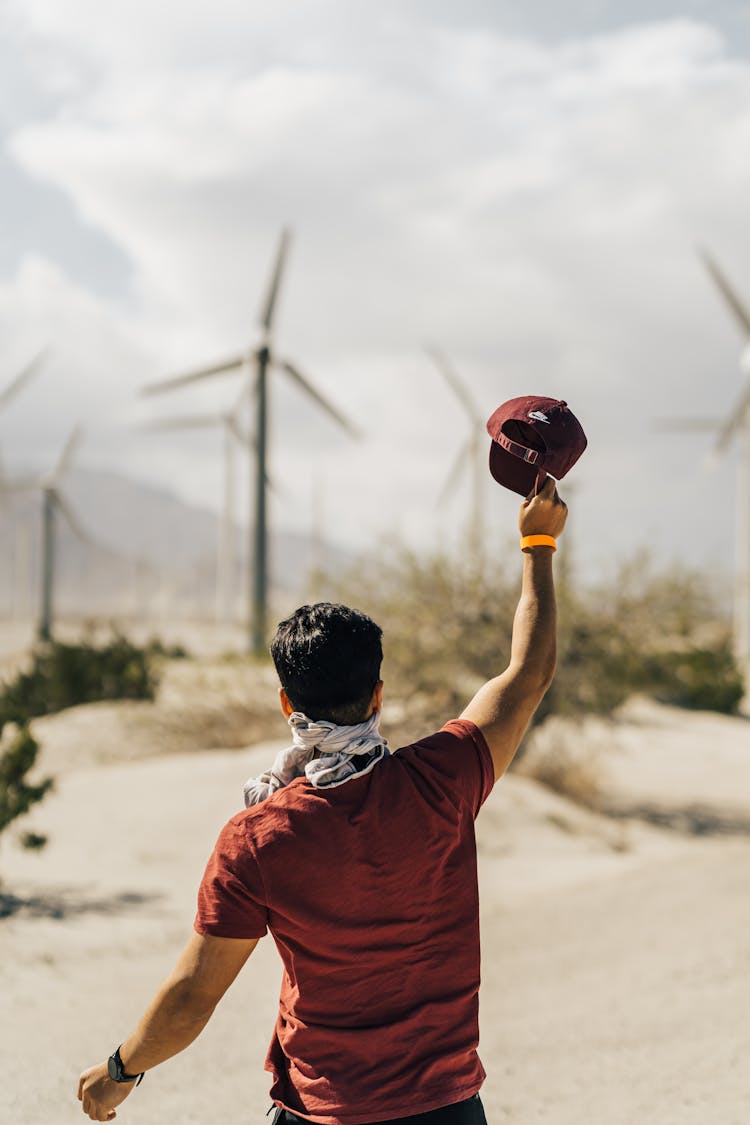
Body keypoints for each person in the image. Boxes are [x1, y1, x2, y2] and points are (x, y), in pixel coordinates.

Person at [77, 477, 567, 1124]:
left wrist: (119, 1071)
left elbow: (195, 993)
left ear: (287, 703)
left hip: (326, 1112)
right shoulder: (444, 780)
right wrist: (538, 542)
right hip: (449, 1108)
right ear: (378, 695)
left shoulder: (256, 838)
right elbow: (529, 671)